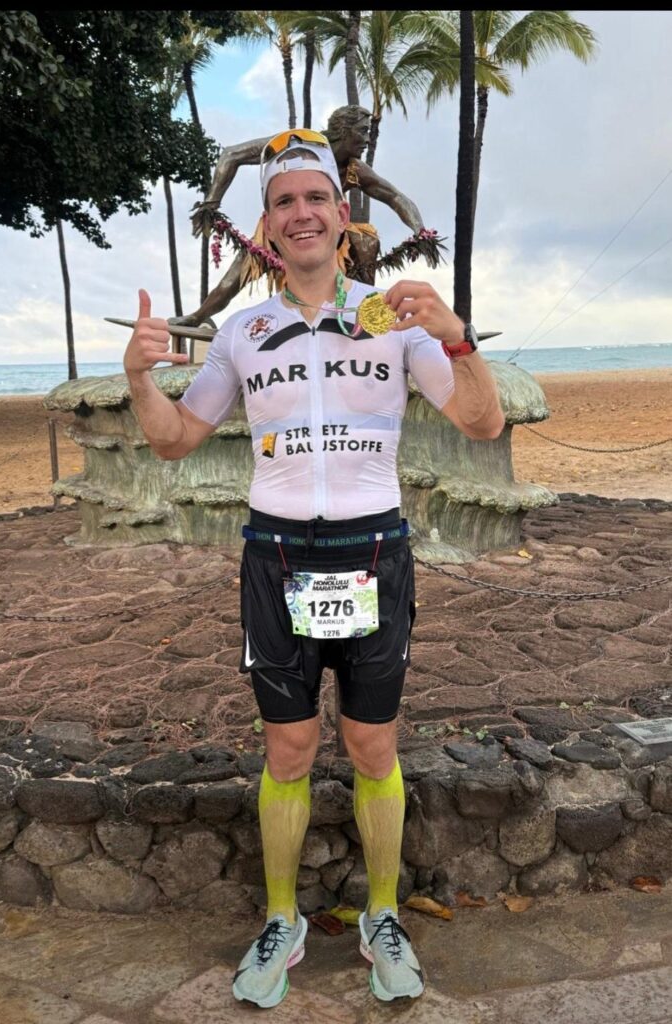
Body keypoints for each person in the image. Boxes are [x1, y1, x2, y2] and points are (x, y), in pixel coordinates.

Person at [123, 130, 505, 1008]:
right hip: (276, 553)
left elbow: (481, 425)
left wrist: (456, 339)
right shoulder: (244, 332)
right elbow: (176, 440)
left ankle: (381, 914)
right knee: (289, 747)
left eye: (316, 199)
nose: (301, 213)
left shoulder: (397, 320)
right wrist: (142, 380)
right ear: (267, 224)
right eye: (284, 201)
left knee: (372, 741)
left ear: (342, 217)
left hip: (373, 549)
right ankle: (284, 917)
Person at [177, 105, 441, 330]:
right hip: (283, 230)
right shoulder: (296, 143)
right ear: (343, 131)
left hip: (324, 237)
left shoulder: (353, 168)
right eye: (362, 132)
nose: (367, 140)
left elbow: (396, 197)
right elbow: (230, 155)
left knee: (365, 240)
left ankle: (360, 314)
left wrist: (421, 232)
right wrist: (210, 205)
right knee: (231, 282)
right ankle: (200, 316)